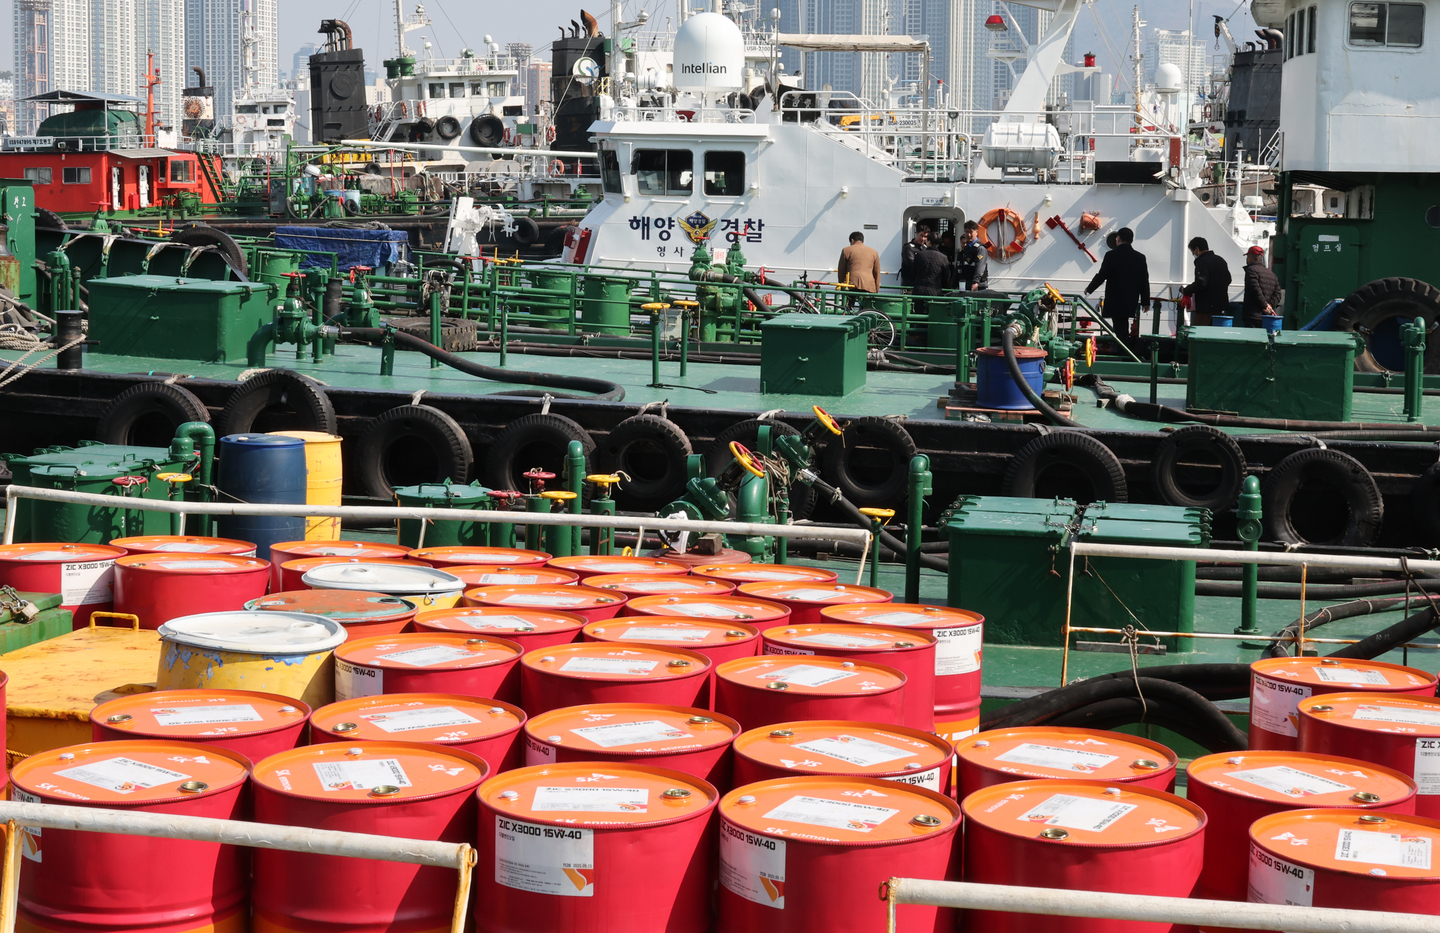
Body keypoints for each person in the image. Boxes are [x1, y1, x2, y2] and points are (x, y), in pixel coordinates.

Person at [1083, 226, 1149, 342]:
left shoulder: (1111, 255)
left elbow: (1102, 275)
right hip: (1130, 299)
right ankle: (1126, 350)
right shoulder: (1140, 258)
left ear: (1118, 239)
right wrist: (1145, 302)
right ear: (1131, 240)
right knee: (1122, 326)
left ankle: (1125, 352)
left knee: (1120, 328)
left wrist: (1089, 288)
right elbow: (1144, 280)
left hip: (1115, 298)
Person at [1181, 237, 1232, 328]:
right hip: (1220, 306)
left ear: (1197, 249)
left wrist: (1186, 290)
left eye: (1193, 251)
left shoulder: (1202, 262)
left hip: (1205, 308)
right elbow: (1228, 279)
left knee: (1199, 333)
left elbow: (1201, 282)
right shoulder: (1220, 260)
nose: (1193, 254)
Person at [1241, 245, 1282, 327]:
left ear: (1250, 258)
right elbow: (1278, 293)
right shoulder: (1271, 274)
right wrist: (1269, 307)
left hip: (1253, 316)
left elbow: (1255, 290)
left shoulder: (1251, 270)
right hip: (1267, 317)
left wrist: (1264, 306)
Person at [836, 231, 881, 305]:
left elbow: (841, 270)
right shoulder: (874, 252)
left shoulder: (846, 250)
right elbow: (877, 272)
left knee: (849, 307)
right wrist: (876, 288)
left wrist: (841, 284)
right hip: (868, 285)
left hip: (851, 284)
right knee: (867, 308)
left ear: (852, 240)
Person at [957, 220, 990, 292]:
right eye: (966, 232)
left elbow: (980, 266)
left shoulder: (980, 249)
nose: (968, 235)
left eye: (971, 232)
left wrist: (975, 282)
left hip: (977, 286)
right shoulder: (966, 248)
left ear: (976, 232)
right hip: (966, 284)